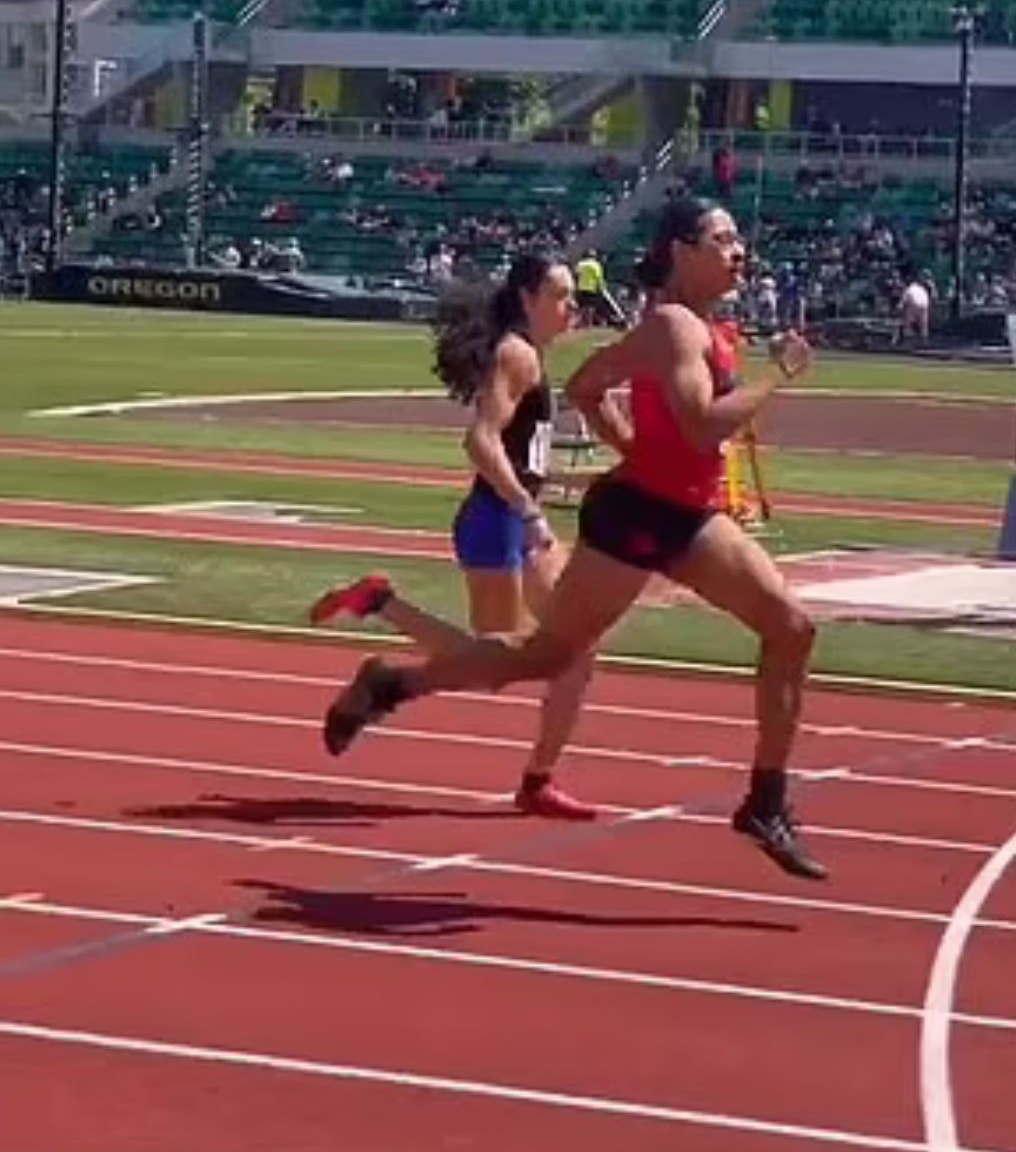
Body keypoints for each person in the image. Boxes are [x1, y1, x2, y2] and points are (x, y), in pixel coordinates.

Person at [315, 196, 829, 880]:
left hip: (686, 514)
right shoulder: (676, 326)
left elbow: (589, 385)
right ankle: (392, 680)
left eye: (740, 238)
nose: (739, 251)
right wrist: (778, 374)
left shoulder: (695, 325)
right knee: (536, 657)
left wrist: (634, 448)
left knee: (791, 626)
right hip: (633, 519)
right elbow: (704, 423)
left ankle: (766, 799)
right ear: (680, 249)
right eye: (723, 238)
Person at [308, 252, 598, 821]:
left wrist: (579, 487)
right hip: (496, 521)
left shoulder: (532, 356)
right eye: (561, 297)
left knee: (575, 645)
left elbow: (524, 457)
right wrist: (527, 510)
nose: (572, 309)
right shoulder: (516, 355)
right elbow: (481, 443)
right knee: (497, 662)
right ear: (527, 299)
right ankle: (381, 612)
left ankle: (537, 779)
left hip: (518, 518)